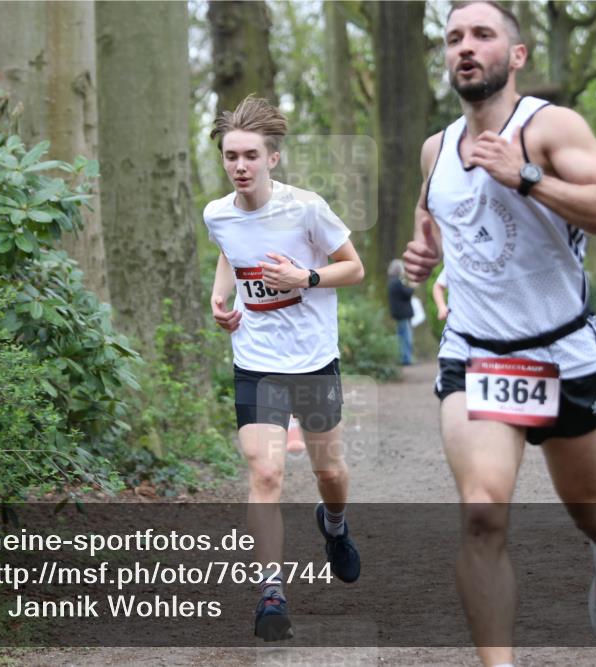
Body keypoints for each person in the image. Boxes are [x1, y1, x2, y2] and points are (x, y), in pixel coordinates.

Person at [401, 3, 596, 665]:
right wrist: (421, 257)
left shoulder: (548, 127)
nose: (465, 48)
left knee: (594, 508)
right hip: (477, 354)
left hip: (561, 351)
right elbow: (437, 226)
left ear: (518, 54)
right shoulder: (437, 147)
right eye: (453, 39)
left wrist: (526, 176)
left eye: (482, 35)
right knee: (482, 511)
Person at [204, 95, 365, 641]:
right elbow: (229, 252)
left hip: (314, 360)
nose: (240, 166)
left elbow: (355, 268)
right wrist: (220, 300)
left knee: (329, 474)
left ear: (272, 158)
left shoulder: (307, 209)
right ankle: (271, 591)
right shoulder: (217, 213)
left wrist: (308, 279)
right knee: (266, 473)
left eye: (250, 155)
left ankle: (335, 525)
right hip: (257, 363)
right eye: (231, 156)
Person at [387, 259, 416, 365]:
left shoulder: (393, 281)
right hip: (402, 314)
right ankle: (406, 359)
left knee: (402, 336)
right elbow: (407, 293)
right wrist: (412, 286)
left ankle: (404, 358)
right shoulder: (396, 282)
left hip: (399, 314)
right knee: (406, 337)